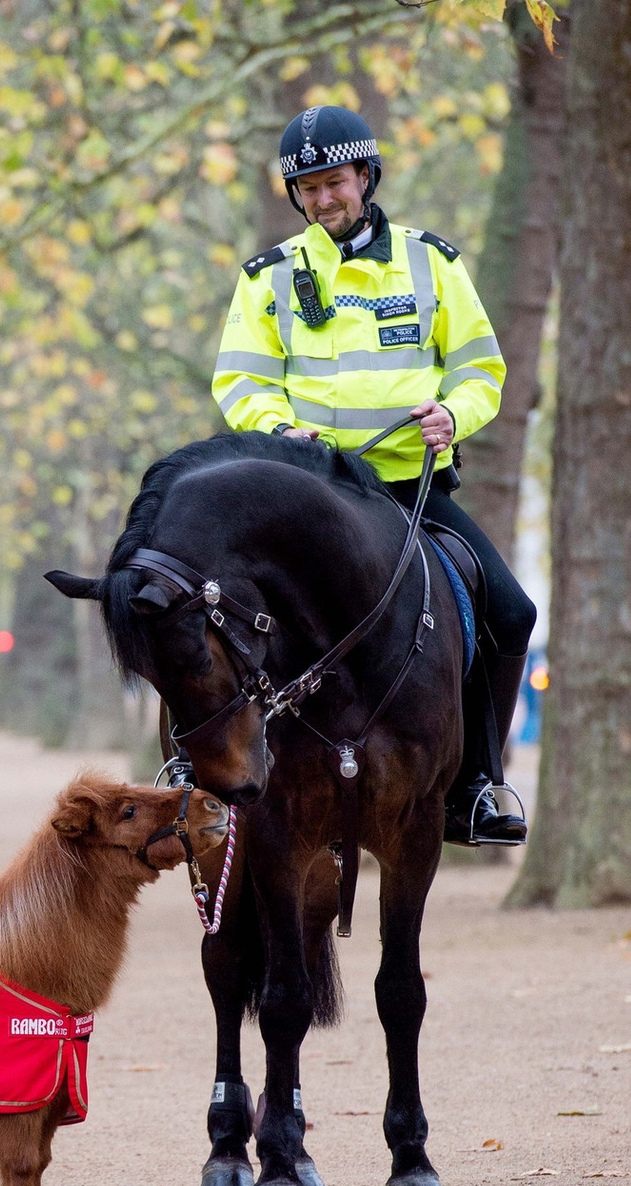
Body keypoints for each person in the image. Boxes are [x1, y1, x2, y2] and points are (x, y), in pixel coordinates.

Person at [212, 105, 537, 846]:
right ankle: (201, 769)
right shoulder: (268, 278)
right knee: (208, 599)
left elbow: (482, 370)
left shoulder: (433, 264)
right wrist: (278, 427)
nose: (323, 200)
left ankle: (479, 784)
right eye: (307, 189)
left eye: (334, 182)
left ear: (365, 176)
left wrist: (454, 415)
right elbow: (239, 382)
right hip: (308, 493)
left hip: (408, 490)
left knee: (513, 612)